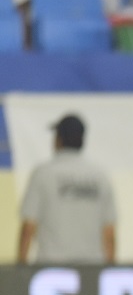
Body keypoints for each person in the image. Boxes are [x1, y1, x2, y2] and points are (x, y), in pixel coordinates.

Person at [18, 114, 116, 265]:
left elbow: (28, 228)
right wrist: (110, 269)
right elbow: (109, 232)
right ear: (82, 140)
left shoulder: (43, 174)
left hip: (51, 268)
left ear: (59, 140)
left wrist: (21, 269)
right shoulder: (100, 177)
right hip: (92, 268)